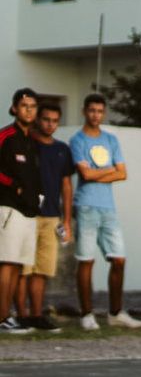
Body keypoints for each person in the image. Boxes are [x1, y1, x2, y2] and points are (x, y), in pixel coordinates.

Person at [70, 94, 140, 330]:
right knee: (86, 261)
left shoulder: (110, 139)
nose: (95, 115)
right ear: (84, 111)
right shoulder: (77, 140)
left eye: (100, 111)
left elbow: (123, 173)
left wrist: (100, 172)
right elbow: (86, 175)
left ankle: (115, 312)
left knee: (118, 259)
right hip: (86, 205)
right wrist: (108, 171)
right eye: (92, 110)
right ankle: (86, 313)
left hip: (108, 207)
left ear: (104, 113)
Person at [17, 100, 74, 331]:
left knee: (42, 269)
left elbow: (66, 185)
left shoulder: (62, 149)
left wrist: (67, 220)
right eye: (46, 119)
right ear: (38, 119)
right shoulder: (27, 144)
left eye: (54, 121)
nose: (50, 125)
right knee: (23, 268)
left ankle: (36, 315)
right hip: (27, 214)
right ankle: (20, 315)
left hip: (51, 216)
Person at [0, 88, 43, 334]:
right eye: (24, 105)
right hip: (9, 209)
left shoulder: (31, 140)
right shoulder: (6, 136)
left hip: (29, 211)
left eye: (33, 106)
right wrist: (13, 186)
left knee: (17, 264)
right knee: (6, 262)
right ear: (15, 108)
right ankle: (1, 317)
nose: (29, 110)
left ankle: (9, 316)